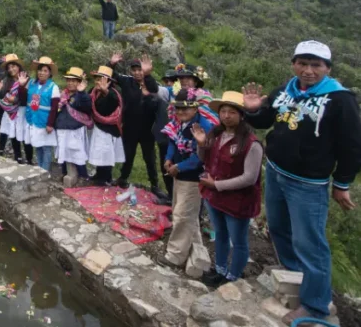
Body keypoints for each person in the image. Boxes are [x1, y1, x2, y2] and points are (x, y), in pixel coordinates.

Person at [241, 41, 361, 323]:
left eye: (316, 65)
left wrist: (342, 183)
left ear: (327, 68)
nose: (308, 71)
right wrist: (251, 110)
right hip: (275, 172)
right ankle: (294, 274)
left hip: (308, 184)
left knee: (311, 243)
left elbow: (353, 146)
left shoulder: (340, 99)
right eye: (302, 63)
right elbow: (265, 121)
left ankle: (316, 305)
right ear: (294, 64)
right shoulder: (286, 89)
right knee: (279, 228)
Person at [191, 91, 264, 287]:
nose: (226, 116)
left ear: (241, 115)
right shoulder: (216, 134)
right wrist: (201, 145)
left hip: (237, 200)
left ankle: (233, 276)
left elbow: (249, 178)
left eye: (232, 112)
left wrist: (217, 185)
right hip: (214, 197)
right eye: (223, 111)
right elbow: (203, 159)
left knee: (238, 240)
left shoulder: (251, 143)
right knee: (220, 234)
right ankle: (221, 269)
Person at [157, 89, 215, 270]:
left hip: (194, 178)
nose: (181, 112)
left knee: (182, 214)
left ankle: (175, 256)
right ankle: (194, 246)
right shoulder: (179, 123)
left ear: (196, 108)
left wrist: (179, 167)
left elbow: (201, 157)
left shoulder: (203, 127)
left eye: (186, 109)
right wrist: (168, 158)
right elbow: (174, 142)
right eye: (179, 108)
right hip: (180, 175)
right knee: (182, 211)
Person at [107, 54, 164, 196]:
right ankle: (123, 178)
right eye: (135, 70)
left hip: (147, 129)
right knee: (128, 155)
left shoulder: (150, 82)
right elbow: (110, 75)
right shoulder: (127, 82)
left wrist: (148, 75)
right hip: (130, 127)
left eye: (140, 70)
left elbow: (154, 90)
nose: (138, 73)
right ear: (131, 71)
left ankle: (155, 184)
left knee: (149, 158)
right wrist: (111, 64)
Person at [54, 68, 93, 188]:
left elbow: (87, 108)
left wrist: (81, 93)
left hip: (75, 129)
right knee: (64, 152)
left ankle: (83, 176)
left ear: (79, 82)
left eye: (74, 81)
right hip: (62, 127)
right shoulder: (63, 95)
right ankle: (65, 173)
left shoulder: (82, 96)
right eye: (68, 80)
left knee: (77, 152)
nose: (70, 83)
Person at [89, 65, 126, 186]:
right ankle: (99, 174)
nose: (99, 81)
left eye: (103, 79)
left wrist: (106, 92)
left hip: (109, 129)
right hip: (98, 127)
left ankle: (106, 177)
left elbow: (113, 104)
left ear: (109, 82)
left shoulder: (115, 94)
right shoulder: (94, 92)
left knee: (106, 153)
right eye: (98, 78)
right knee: (99, 152)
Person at [0, 54, 32, 164]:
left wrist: (21, 86)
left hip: (23, 110)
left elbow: (26, 98)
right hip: (11, 112)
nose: (11, 69)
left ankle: (29, 158)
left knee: (25, 135)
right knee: (13, 134)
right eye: (9, 67)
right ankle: (18, 156)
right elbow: (6, 97)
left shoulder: (28, 80)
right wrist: (1, 90)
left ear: (18, 66)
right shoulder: (7, 81)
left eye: (13, 66)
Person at [24, 57, 60, 172]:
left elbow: (54, 108)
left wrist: (50, 124)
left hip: (45, 122)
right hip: (33, 119)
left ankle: (45, 171)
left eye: (45, 70)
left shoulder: (53, 87)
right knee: (37, 146)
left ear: (49, 73)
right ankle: (39, 169)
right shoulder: (32, 84)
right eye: (40, 70)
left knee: (46, 147)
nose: (42, 73)